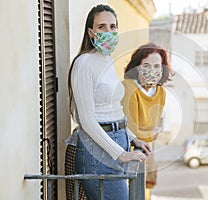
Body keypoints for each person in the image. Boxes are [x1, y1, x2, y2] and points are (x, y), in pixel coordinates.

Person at [66, 4, 151, 200]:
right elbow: (86, 121)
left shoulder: (107, 60)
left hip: (118, 140)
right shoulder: (84, 63)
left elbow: (113, 109)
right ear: (91, 32)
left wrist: (131, 138)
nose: (109, 31)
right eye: (102, 27)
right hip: (97, 151)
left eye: (113, 27)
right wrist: (121, 154)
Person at [121, 43, 172, 198]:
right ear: (137, 67)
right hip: (122, 153)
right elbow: (131, 129)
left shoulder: (161, 92)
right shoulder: (128, 87)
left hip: (142, 154)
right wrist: (152, 133)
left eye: (157, 66)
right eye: (146, 65)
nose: (152, 70)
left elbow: (152, 127)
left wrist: (148, 133)